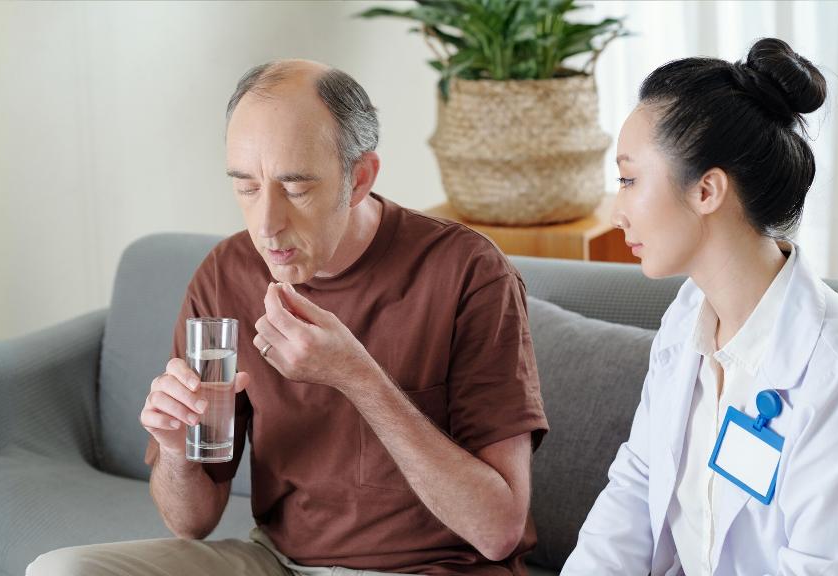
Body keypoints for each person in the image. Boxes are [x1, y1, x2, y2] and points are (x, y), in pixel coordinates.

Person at [27, 60, 547, 576]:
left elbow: (498, 531)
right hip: (276, 563)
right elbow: (191, 523)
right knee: (63, 570)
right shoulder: (225, 274)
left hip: (433, 569)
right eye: (247, 187)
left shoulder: (467, 271)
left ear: (359, 178)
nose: (266, 225)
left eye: (295, 188)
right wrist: (176, 450)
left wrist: (356, 376)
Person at [562, 39, 838, 576]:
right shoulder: (687, 321)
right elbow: (638, 483)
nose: (618, 211)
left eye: (630, 179)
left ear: (707, 191)